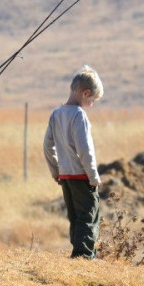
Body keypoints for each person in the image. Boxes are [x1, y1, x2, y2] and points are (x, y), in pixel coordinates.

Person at [43, 65, 103, 259]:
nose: (91, 104)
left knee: (75, 217)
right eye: (92, 100)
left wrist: (55, 171)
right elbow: (85, 149)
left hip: (66, 175)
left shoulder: (56, 113)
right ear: (86, 93)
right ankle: (84, 256)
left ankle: (78, 253)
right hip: (81, 175)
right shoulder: (79, 115)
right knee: (88, 215)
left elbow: (47, 146)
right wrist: (93, 176)